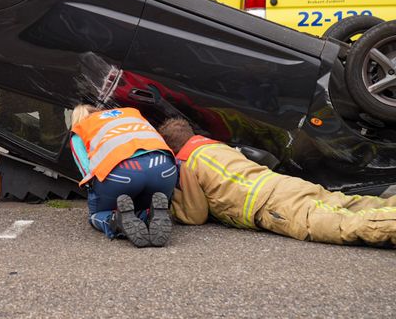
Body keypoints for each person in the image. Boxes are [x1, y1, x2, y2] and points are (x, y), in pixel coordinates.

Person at [158, 117, 396, 247]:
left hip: (271, 205)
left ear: (170, 147)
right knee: (355, 205)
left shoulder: (186, 162)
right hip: (284, 184)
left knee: (342, 225)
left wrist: (172, 206)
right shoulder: (213, 146)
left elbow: (195, 213)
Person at [70, 104, 177, 247]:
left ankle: (115, 220)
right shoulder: (131, 114)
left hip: (123, 172)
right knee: (144, 199)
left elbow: (87, 171)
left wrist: (94, 193)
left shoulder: (80, 130)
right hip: (164, 168)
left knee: (96, 215)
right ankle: (149, 213)